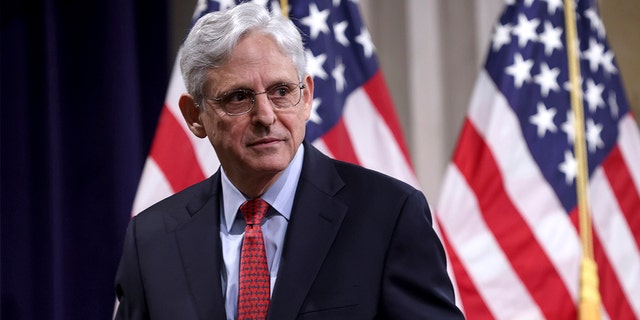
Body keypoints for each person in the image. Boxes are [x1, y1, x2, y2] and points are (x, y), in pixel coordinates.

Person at [114, 2, 464, 319]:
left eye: (281, 91)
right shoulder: (151, 240)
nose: (266, 115)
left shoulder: (388, 215)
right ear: (195, 116)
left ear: (307, 96)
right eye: (239, 97)